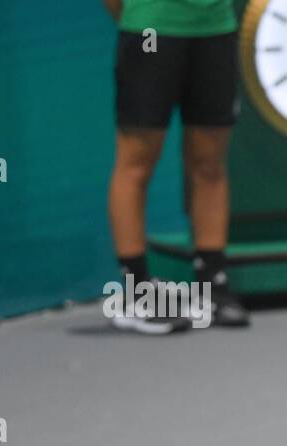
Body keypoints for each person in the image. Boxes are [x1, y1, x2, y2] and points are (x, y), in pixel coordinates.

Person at [104, 0, 249, 333]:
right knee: (136, 164)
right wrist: (137, 15)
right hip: (149, 29)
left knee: (209, 163)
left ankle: (212, 285)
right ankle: (137, 292)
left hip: (215, 28)